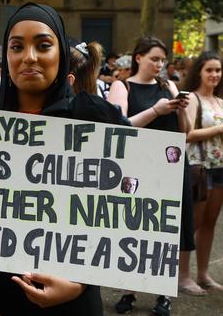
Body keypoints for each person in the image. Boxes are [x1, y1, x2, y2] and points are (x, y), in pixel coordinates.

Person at [0, 2, 129, 316]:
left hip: (72, 300)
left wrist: (80, 283)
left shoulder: (94, 118)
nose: (29, 57)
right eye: (17, 46)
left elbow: (127, 207)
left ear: (61, 55)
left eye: (43, 45)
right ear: (6, 57)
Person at [107, 36, 192, 316]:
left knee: (165, 231)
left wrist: (177, 104)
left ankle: (163, 295)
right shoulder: (122, 86)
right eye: (154, 58)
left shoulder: (169, 86)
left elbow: (185, 131)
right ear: (139, 57)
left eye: (162, 60)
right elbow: (120, 126)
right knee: (132, 228)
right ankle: (128, 291)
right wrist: (157, 110)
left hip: (169, 165)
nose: (160, 64)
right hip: (135, 166)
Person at [180, 51, 223, 296]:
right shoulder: (193, 98)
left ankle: (203, 274)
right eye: (210, 70)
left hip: (220, 167)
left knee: (210, 223)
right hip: (199, 168)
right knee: (192, 223)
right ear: (199, 72)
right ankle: (182, 276)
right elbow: (186, 134)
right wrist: (219, 128)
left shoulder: (220, 101)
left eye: (218, 70)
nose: (214, 75)